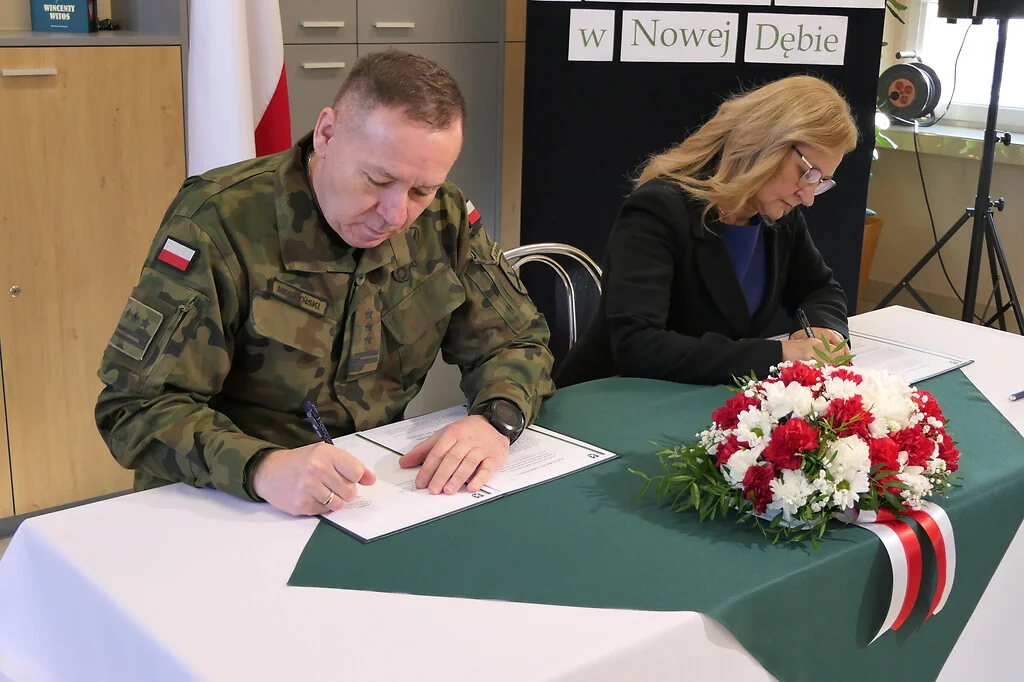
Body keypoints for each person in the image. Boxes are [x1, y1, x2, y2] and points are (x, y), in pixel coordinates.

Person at [95, 51, 555, 516]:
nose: (396, 214)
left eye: (421, 190)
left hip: (372, 496)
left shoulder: (444, 215)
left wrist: (495, 420)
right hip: (229, 503)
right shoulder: (220, 222)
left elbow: (518, 342)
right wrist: (261, 467)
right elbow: (134, 408)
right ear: (327, 134)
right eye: (378, 180)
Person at [554, 75, 858, 388]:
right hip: (611, 396)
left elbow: (820, 289)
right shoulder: (658, 209)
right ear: (765, 144)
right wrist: (780, 354)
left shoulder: (779, 218)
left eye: (821, 182)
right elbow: (639, 345)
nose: (808, 197)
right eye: (807, 173)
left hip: (697, 397)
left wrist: (822, 329)